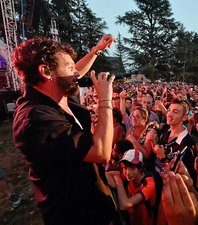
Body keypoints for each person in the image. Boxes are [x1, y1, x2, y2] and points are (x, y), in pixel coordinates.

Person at [12, 35, 117, 225]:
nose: (76, 73)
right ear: (46, 71)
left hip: (92, 202)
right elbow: (101, 152)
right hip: (76, 214)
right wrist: (105, 101)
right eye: (69, 67)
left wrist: (96, 50)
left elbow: (75, 71)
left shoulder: (51, 94)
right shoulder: (35, 118)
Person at [107, 149, 157, 225]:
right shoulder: (128, 175)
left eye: (132, 168)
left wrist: (118, 181)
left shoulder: (148, 183)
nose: (128, 173)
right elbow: (106, 175)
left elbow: (124, 205)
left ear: (140, 167)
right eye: (125, 168)